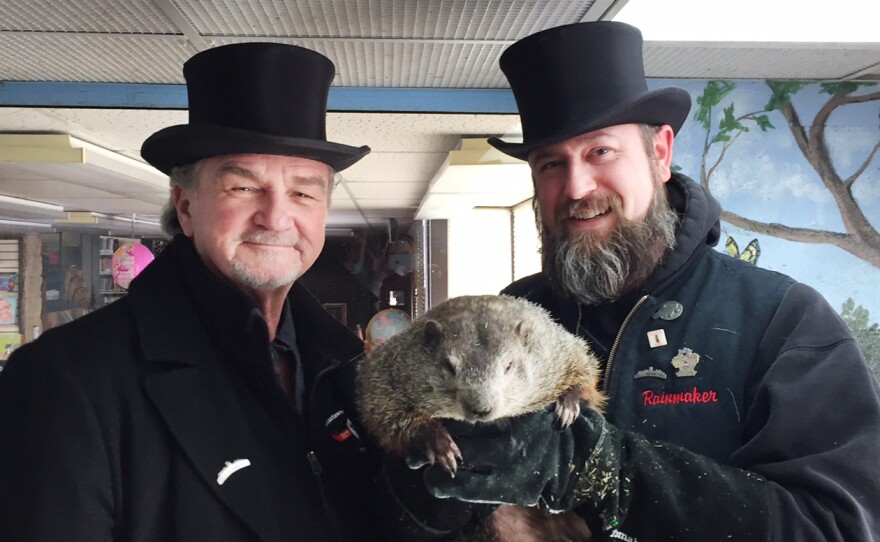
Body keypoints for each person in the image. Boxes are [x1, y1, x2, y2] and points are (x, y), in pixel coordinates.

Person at [387, 21, 880, 541]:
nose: (576, 187)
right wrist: (439, 499)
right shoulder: (515, 311)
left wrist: (608, 475)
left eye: (601, 152)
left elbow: (840, 528)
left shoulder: (784, 319)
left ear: (660, 154)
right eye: (552, 163)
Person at [0, 42, 407, 541]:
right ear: (186, 206)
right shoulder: (67, 380)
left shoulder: (349, 371)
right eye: (242, 188)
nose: (276, 217)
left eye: (303, 192)